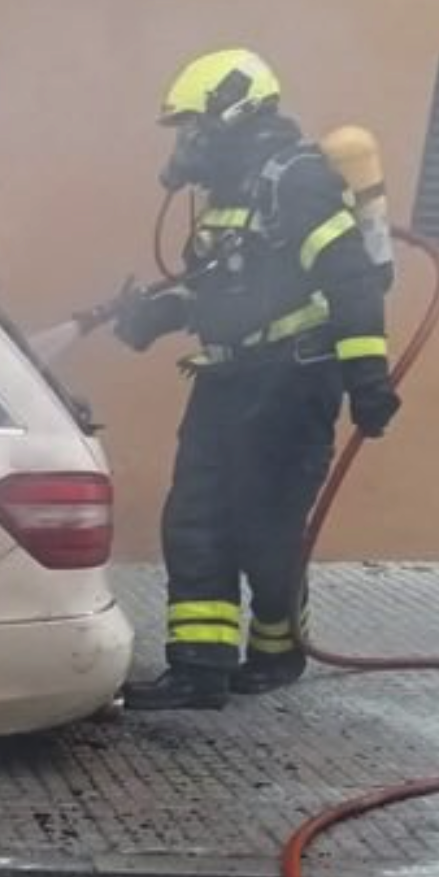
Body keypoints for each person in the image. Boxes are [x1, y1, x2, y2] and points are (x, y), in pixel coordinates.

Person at [114, 49, 402, 711]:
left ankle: (276, 651)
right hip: (226, 379)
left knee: (264, 528)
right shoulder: (224, 196)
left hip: (291, 384)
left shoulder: (297, 183)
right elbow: (219, 288)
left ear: (234, 115)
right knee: (195, 519)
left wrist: (367, 379)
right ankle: (199, 668)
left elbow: (350, 280)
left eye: (194, 126)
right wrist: (158, 316)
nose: (187, 142)